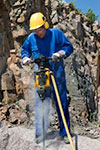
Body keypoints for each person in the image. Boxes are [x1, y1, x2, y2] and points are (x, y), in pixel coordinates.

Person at [21, 12, 73, 144]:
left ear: (45, 24)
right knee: (41, 104)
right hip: (41, 75)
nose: (38, 32)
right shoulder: (31, 38)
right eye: (35, 30)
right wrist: (25, 58)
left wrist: (60, 53)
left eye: (40, 28)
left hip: (57, 74)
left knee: (61, 103)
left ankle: (65, 132)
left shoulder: (56, 33)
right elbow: (24, 51)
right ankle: (40, 133)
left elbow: (68, 47)